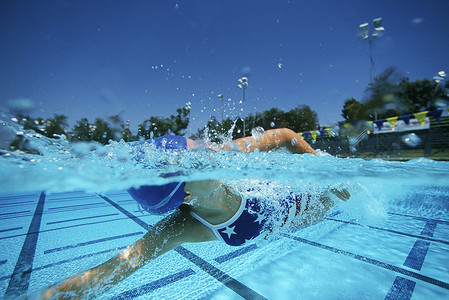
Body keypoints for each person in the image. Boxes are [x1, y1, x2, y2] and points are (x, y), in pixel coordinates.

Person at [39, 128, 350, 299]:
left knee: (348, 187)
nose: (208, 152)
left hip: (304, 189)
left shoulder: (223, 155)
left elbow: (283, 135)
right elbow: (117, 267)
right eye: (197, 158)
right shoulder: (182, 227)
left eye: (198, 148)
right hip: (300, 217)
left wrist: (325, 167)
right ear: (185, 194)